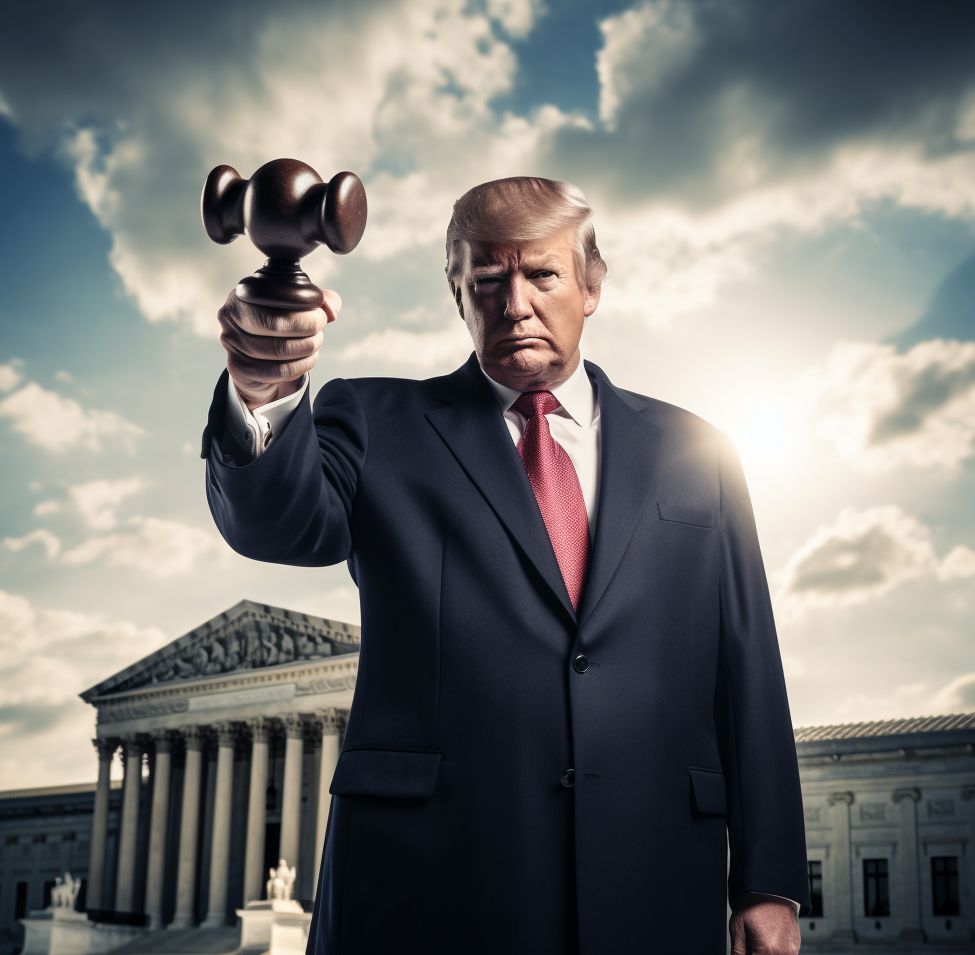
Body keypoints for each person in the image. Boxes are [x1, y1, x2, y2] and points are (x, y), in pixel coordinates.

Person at [203, 177, 809, 955]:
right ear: (458, 292)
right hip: (425, 889)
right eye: (487, 279)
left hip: (651, 874)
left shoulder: (700, 452)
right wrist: (263, 392)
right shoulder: (373, 421)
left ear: (591, 287)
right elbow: (277, 524)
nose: (514, 301)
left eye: (542, 275)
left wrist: (769, 880)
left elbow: (748, 670)